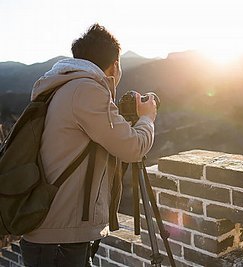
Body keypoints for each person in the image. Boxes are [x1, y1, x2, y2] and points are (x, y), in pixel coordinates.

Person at [19, 24, 157, 266]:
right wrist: (147, 118)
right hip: (59, 237)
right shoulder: (86, 90)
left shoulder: (64, 86)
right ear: (115, 64)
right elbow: (133, 148)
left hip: (55, 231)